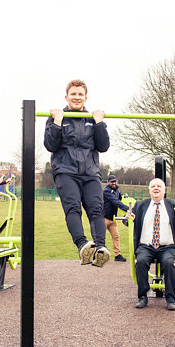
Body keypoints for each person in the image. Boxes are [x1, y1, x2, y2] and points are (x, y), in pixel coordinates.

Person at [44, 79, 111, 267]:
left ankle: (100, 249)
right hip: (66, 170)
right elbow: (50, 145)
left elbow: (103, 146)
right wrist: (57, 122)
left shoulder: (92, 117)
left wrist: (99, 123)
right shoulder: (57, 117)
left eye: (80, 94)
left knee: (97, 209)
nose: (76, 97)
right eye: (73, 94)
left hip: (90, 172)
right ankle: (82, 245)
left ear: (85, 97)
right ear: (66, 97)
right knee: (73, 208)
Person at [128, 178, 175, 310]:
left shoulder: (172, 205)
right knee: (141, 261)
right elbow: (128, 222)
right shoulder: (140, 205)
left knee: (168, 263)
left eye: (159, 186)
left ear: (164, 190)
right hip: (146, 246)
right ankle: (142, 296)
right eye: (153, 186)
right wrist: (129, 218)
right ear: (149, 190)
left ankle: (171, 299)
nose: (156, 188)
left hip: (167, 247)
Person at [103, 175, 130, 262]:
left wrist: (126, 198)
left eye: (115, 181)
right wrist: (128, 209)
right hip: (104, 218)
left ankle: (117, 255)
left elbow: (120, 198)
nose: (113, 183)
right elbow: (116, 202)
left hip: (113, 219)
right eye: (111, 181)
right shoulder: (106, 191)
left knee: (116, 237)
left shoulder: (117, 190)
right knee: (100, 237)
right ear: (108, 182)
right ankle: (98, 254)